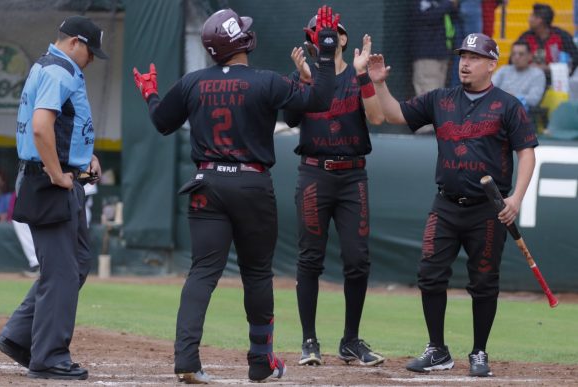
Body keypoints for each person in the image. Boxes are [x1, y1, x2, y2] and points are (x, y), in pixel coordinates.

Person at [133, 6, 339, 384]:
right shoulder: (266, 80)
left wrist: (149, 94)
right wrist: (326, 47)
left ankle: (186, 359)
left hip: (206, 183)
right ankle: (261, 361)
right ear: (241, 40)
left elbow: (162, 122)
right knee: (257, 273)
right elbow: (322, 98)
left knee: (202, 272)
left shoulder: (193, 81)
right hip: (251, 184)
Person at [367, 33, 538, 377]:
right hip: (445, 204)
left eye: (474, 57)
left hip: (487, 209)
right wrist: (378, 85)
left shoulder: (507, 105)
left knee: (484, 282)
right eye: (463, 55)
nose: (465, 62)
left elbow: (527, 153)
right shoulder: (440, 99)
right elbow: (396, 115)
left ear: (492, 65)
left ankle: (479, 352)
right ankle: (437, 350)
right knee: (430, 275)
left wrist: (516, 198)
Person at [0, 15, 105, 381]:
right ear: (75, 42)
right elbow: (42, 126)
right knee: (62, 272)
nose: (92, 58)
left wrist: (83, 156)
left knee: (75, 264)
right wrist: (59, 172)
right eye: (91, 51)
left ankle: (17, 337)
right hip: (49, 182)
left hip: (52, 178)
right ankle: (49, 357)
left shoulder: (49, 66)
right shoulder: (59, 71)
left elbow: (58, 126)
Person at [283, 11, 385, 368]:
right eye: (318, 35)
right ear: (313, 43)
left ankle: (350, 340)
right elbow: (292, 118)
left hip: (352, 176)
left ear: (342, 38)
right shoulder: (305, 78)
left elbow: (376, 118)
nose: (325, 39)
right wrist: (304, 80)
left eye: (332, 33)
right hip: (314, 175)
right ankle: (309, 340)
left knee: (358, 259)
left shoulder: (356, 76)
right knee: (310, 259)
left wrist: (363, 75)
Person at [517, 3, 578, 78]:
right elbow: (513, 59)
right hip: (529, 78)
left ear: (540, 20)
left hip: (556, 80)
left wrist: (550, 68)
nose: (529, 19)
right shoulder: (525, 37)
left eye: (532, 16)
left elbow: (575, 59)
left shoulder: (562, 36)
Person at [492, 40, 547, 108]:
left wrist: (514, 96)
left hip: (520, 112)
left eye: (521, 54)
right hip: (496, 108)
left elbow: (534, 100)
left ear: (530, 56)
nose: (516, 57)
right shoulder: (503, 70)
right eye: (514, 54)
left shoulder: (537, 74)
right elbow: (490, 88)